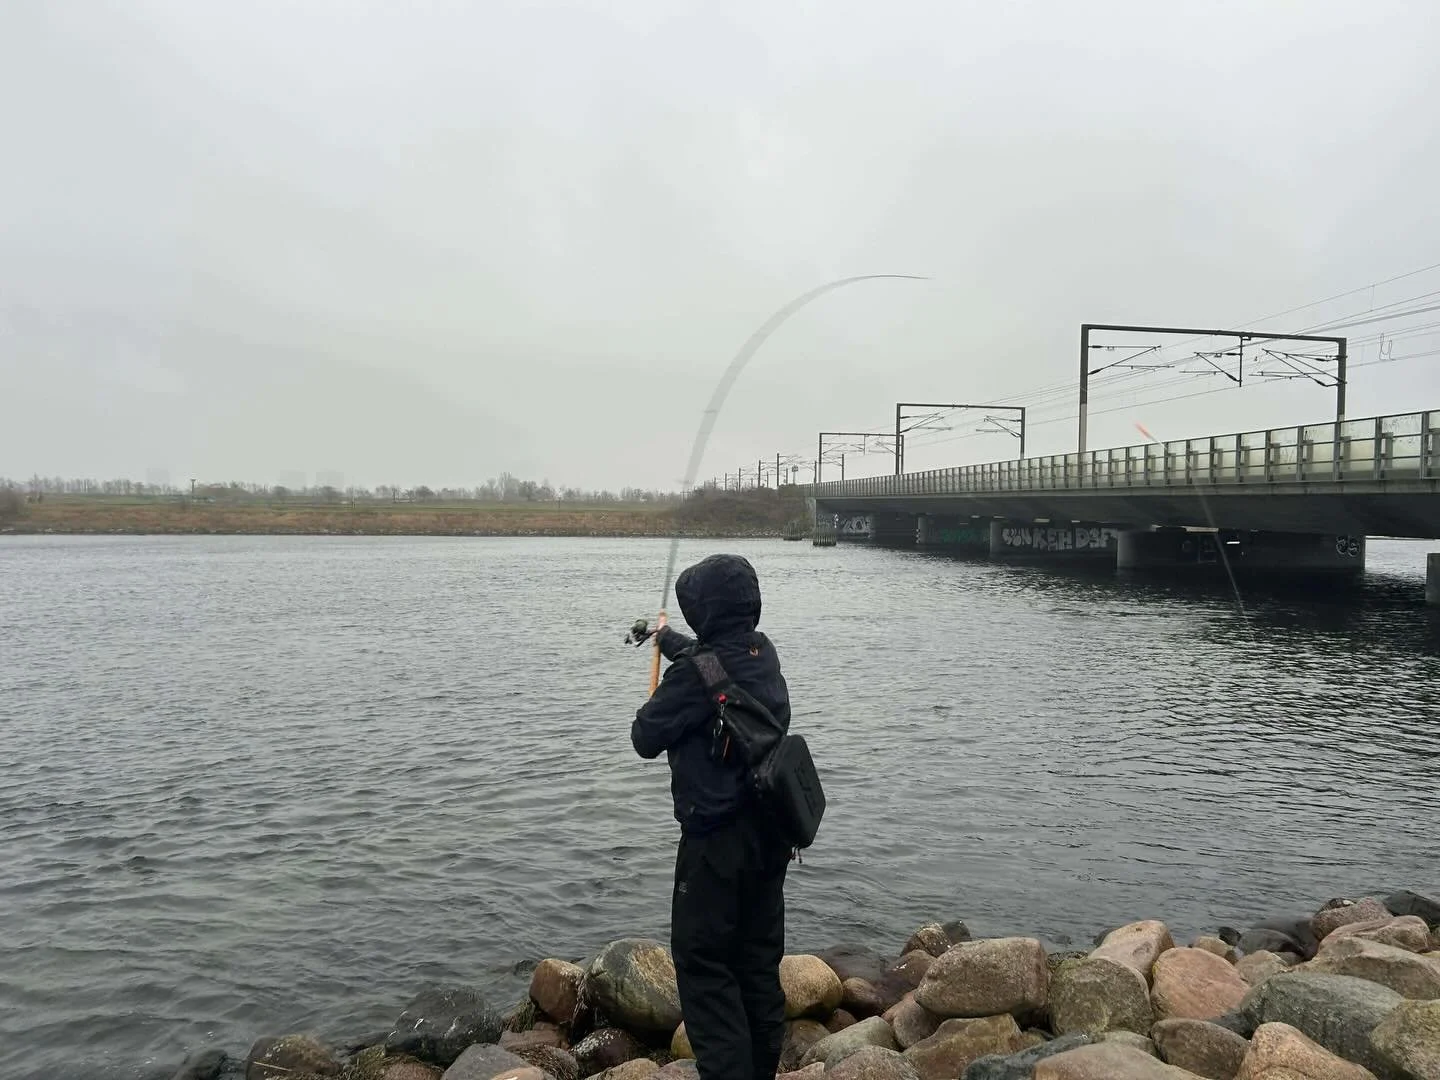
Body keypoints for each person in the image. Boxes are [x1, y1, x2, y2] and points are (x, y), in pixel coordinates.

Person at [631, 553, 792, 1080]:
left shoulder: (691, 682)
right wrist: (667, 641)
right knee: (756, 967)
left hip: (713, 847)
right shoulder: (762, 653)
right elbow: (714, 664)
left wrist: (663, 684)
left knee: (704, 970)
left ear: (707, 611)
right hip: (771, 838)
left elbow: (644, 738)